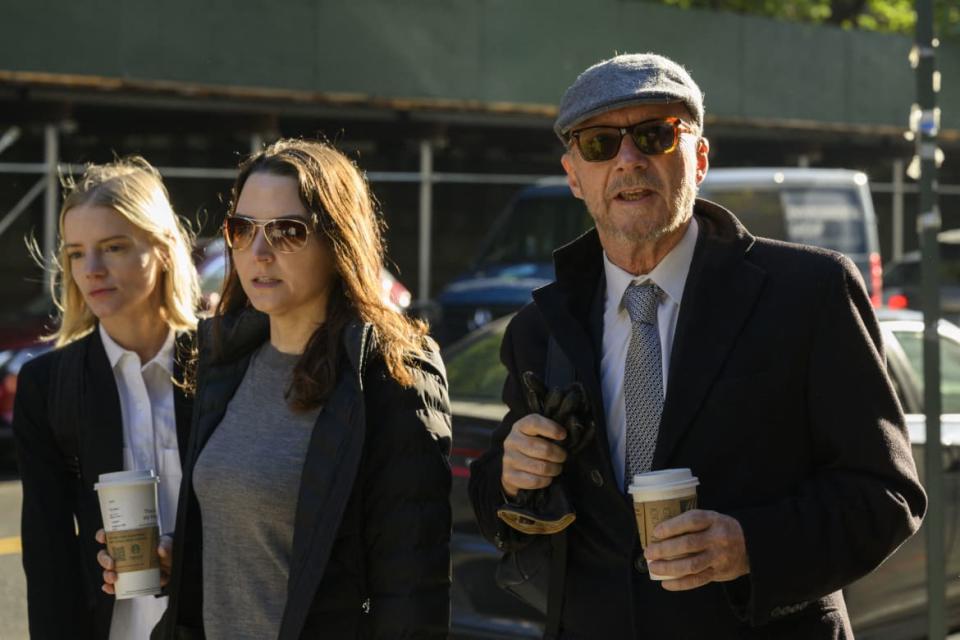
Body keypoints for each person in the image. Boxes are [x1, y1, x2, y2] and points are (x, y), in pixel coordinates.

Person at [468, 53, 927, 639]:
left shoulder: (809, 293)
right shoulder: (540, 327)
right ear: (574, 176)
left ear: (700, 158)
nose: (628, 160)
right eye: (600, 144)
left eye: (656, 135)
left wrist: (749, 546)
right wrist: (511, 476)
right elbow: (496, 503)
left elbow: (887, 494)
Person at [98, 139, 452, 640]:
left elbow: (412, 594)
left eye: (288, 231)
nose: (258, 253)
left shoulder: (390, 376)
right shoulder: (227, 359)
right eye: (242, 230)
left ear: (337, 240)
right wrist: (179, 562)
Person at [14, 157, 201, 640]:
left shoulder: (225, 365)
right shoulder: (46, 384)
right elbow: (48, 554)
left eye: (114, 247)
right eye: (76, 253)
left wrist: (187, 561)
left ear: (162, 249)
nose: (91, 270)